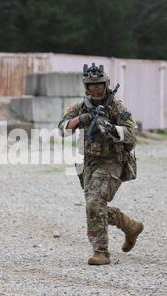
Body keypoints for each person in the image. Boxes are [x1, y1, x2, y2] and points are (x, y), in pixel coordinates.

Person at [58, 63, 144, 265]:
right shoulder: (80, 107)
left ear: (106, 84)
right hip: (87, 164)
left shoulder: (116, 107)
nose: (95, 88)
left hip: (112, 162)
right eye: (91, 85)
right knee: (94, 206)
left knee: (94, 203)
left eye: (99, 84)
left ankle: (101, 252)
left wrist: (111, 129)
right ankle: (129, 225)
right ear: (86, 87)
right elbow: (63, 129)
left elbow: (133, 133)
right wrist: (82, 119)